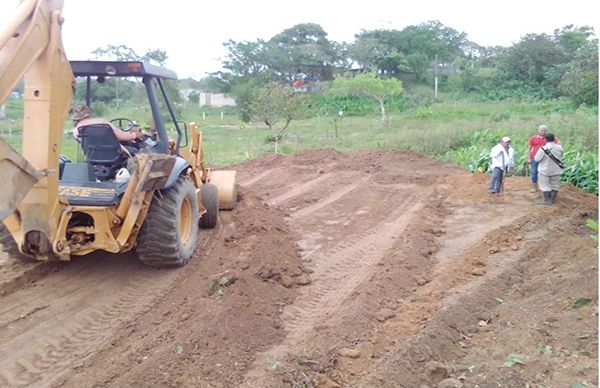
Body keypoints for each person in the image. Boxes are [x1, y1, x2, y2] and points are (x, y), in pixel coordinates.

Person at [70, 104, 144, 156]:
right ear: (88, 113)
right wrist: (135, 135)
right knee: (136, 151)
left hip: (92, 156)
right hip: (114, 154)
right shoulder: (102, 122)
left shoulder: (75, 131)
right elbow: (125, 137)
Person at [533, 133, 564, 205]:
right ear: (554, 139)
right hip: (556, 169)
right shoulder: (560, 147)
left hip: (545, 170)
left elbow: (537, 159)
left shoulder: (543, 149)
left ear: (546, 140)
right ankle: (552, 200)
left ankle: (547, 200)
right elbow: (561, 156)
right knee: (555, 185)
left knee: (545, 185)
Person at [527, 124, 548, 192]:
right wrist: (529, 158)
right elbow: (529, 148)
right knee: (534, 172)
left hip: (545, 159)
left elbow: (556, 144)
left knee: (544, 173)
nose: (543, 132)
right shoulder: (533, 138)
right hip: (535, 158)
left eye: (544, 131)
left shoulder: (548, 138)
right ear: (538, 130)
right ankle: (534, 188)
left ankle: (544, 187)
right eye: (542, 130)